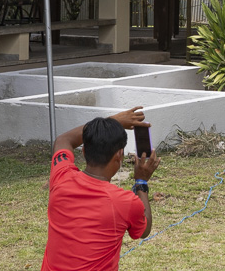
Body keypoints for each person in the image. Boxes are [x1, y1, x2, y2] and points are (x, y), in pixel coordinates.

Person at [42, 106, 158, 271]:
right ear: (119, 155)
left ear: (83, 151)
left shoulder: (61, 177)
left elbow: (63, 140)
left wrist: (112, 120)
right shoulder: (124, 201)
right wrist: (141, 182)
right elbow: (144, 230)